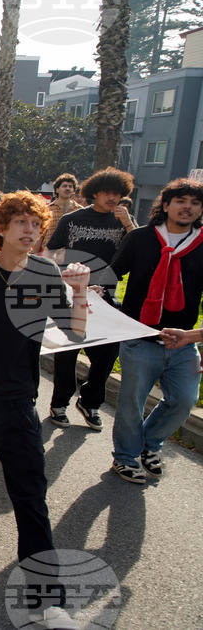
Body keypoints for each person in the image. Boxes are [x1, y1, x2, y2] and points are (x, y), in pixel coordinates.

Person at [0, 191, 88, 629]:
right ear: (1, 227)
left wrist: (79, 291)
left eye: (36, 224)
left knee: (31, 497)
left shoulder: (45, 273)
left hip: (19, 403)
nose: (30, 230)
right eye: (21, 222)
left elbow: (74, 333)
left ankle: (48, 600)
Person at [108, 178, 203, 484]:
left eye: (195, 203)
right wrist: (95, 291)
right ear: (166, 205)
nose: (187, 207)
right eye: (181, 201)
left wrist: (196, 337)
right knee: (131, 403)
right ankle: (125, 457)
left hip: (184, 342)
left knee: (184, 400)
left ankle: (150, 444)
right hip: (140, 338)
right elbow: (112, 274)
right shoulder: (140, 238)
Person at [44, 168, 135, 431]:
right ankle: (59, 404)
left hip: (106, 295)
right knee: (67, 352)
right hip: (72, 294)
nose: (112, 198)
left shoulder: (125, 222)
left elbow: (142, 250)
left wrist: (128, 224)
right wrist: (58, 281)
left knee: (107, 353)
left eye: (117, 193)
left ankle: (90, 401)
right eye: (106, 192)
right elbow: (50, 251)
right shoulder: (72, 219)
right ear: (94, 192)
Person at [35, 173, 82, 255]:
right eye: (64, 186)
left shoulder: (80, 210)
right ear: (57, 190)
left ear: (74, 191)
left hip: (71, 254)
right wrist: (35, 256)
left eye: (70, 186)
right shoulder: (47, 210)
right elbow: (40, 235)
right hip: (48, 253)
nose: (67, 188)